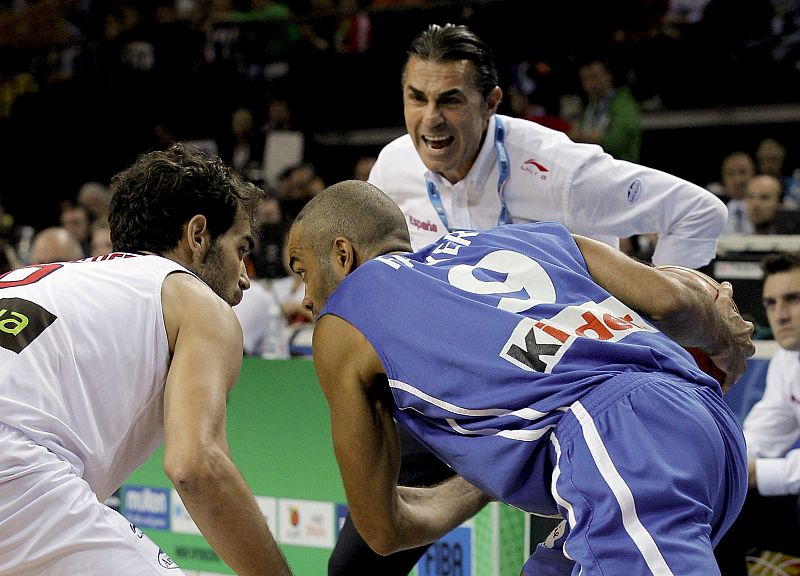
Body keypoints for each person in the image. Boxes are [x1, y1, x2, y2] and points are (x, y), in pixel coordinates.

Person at [357, 22, 729, 576]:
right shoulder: (393, 167)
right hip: (461, 394)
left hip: (570, 396)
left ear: (492, 103)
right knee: (365, 550)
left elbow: (700, 211)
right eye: (417, 98)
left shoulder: (561, 170)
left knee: (582, 552)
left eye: (451, 100)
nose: (430, 119)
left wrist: (658, 325)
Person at [288, 180, 755, 576]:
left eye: (302, 271)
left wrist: (476, 482)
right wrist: (726, 343)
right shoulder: (525, 238)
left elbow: (383, 530)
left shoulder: (344, 318)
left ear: (343, 255)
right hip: (707, 421)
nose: (305, 297)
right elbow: (670, 300)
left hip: (612, 438)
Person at [0, 143, 292, 576]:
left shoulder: (41, 278)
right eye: (240, 249)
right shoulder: (193, 299)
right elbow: (195, 465)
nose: (246, 276)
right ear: (198, 235)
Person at [714, 251, 800, 574]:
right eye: (772, 303)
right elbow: (766, 431)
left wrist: (758, 473)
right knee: (725, 507)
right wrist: (731, 466)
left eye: (793, 299)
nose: (781, 315)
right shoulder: (788, 360)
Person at [569, 57, 642, 163]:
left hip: (621, 168)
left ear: (608, 75)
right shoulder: (589, 108)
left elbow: (616, 142)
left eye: (595, 77)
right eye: (585, 79)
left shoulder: (624, 104)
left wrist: (583, 137)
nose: (591, 84)